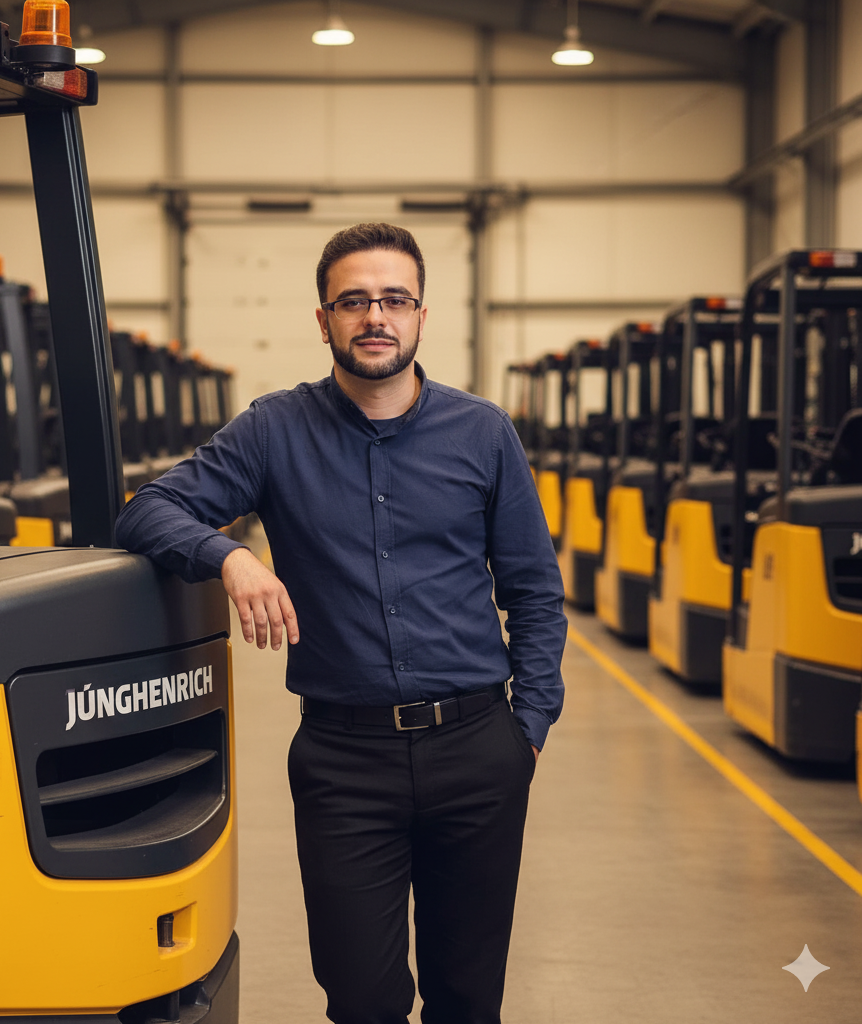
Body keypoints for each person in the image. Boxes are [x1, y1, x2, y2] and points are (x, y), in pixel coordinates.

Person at [115, 222, 566, 1024]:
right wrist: (231, 558)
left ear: (422, 315)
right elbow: (150, 509)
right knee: (362, 999)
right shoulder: (272, 430)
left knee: (469, 998)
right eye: (353, 301)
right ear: (322, 319)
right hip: (344, 761)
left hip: (478, 750)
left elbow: (533, 589)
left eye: (394, 298)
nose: (375, 316)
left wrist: (526, 727)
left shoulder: (483, 433)